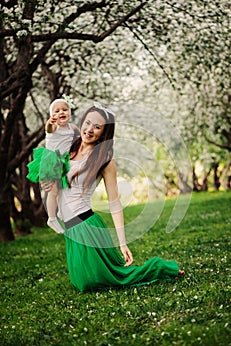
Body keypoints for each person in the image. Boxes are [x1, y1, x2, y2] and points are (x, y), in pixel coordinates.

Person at [42, 102, 185, 292]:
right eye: (88, 123)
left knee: (96, 281)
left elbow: (114, 203)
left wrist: (123, 242)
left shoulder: (105, 160)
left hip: (86, 225)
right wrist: (50, 182)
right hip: (71, 229)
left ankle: (161, 268)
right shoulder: (69, 148)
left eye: (97, 127)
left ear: (104, 133)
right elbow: (56, 168)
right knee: (81, 283)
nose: (90, 129)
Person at [27, 96, 79, 233]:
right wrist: (50, 123)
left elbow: (79, 137)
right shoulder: (54, 127)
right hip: (51, 161)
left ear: (69, 112)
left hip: (64, 161)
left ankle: (62, 212)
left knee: (64, 188)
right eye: (56, 111)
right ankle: (51, 218)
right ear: (51, 116)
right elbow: (48, 129)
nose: (61, 113)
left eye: (64, 110)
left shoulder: (72, 128)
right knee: (53, 191)